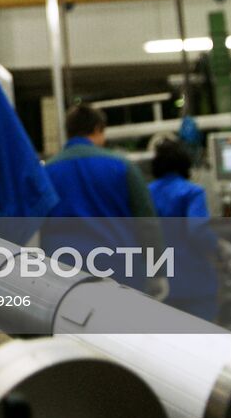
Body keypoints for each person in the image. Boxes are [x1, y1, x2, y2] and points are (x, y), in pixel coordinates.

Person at [43, 104, 164, 292]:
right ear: (98, 129)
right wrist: (157, 271)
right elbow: (147, 222)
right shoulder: (122, 166)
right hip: (120, 270)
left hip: (63, 272)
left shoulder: (46, 172)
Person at [149, 138, 223, 320]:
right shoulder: (192, 192)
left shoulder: (146, 193)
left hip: (158, 282)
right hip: (193, 283)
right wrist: (220, 248)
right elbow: (197, 231)